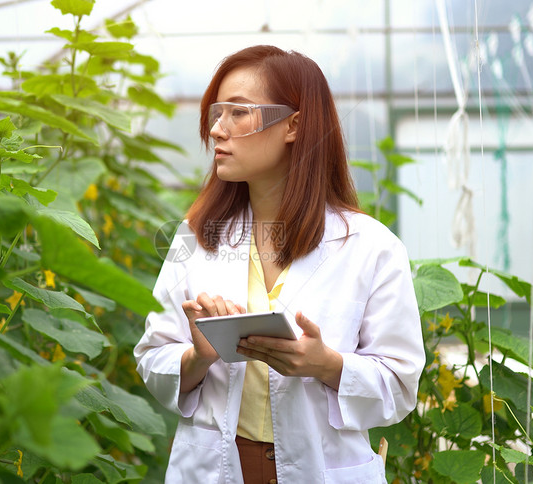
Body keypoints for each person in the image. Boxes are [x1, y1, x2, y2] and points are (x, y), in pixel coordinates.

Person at [134, 45, 424, 484]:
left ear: (293, 125)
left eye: (239, 113)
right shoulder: (193, 237)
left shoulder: (371, 247)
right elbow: (152, 356)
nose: (217, 129)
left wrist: (326, 364)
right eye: (217, 113)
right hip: (215, 470)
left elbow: (400, 385)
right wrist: (197, 356)